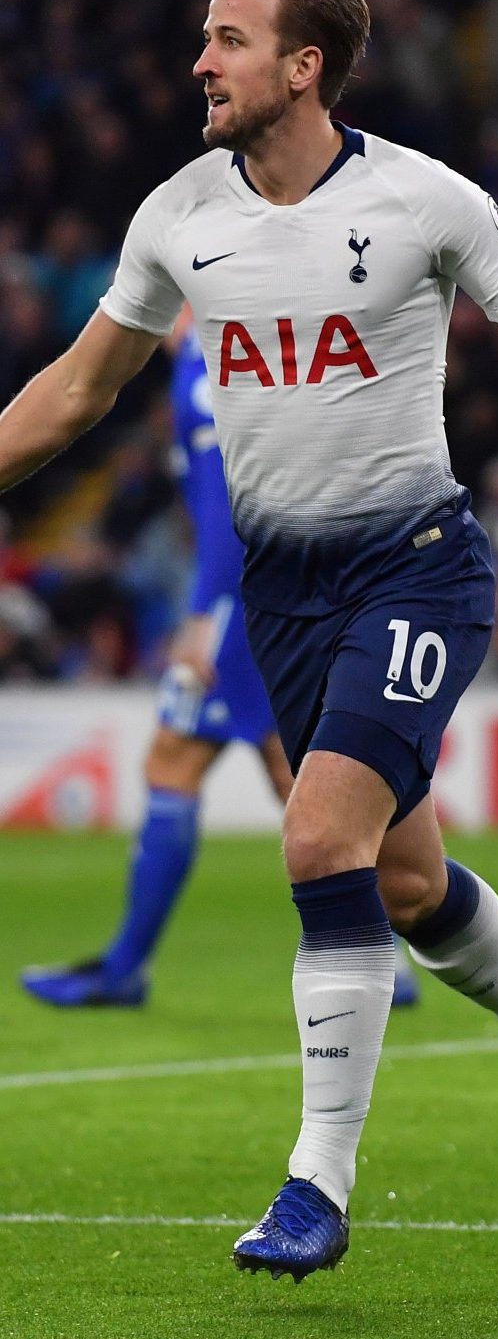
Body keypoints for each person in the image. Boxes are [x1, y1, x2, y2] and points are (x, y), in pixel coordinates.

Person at [0, 0, 497, 1283]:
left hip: (415, 569)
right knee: (406, 886)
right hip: (282, 592)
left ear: (303, 66)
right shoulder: (178, 213)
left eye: (229, 39)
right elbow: (74, 392)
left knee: (318, 835)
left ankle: (314, 1185)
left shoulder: (425, 201)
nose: (201, 61)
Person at [20, 315, 292, 1005]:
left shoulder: (211, 357)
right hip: (267, 587)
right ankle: (383, 950)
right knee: (293, 770)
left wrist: (204, 611)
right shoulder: (217, 351)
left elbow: (232, 502)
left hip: (243, 595)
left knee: (181, 758)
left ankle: (123, 969)